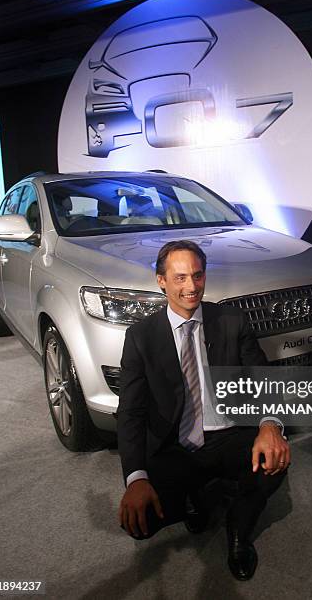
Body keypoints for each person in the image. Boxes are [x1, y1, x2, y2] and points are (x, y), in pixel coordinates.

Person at [117, 240, 290, 580]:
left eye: (197, 276)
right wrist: (135, 477)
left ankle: (239, 532)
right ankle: (198, 494)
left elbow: (263, 376)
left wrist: (270, 424)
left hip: (230, 432)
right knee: (140, 524)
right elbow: (131, 413)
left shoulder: (230, 319)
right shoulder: (141, 336)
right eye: (180, 278)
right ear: (161, 281)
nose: (191, 287)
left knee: (274, 461)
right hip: (175, 444)